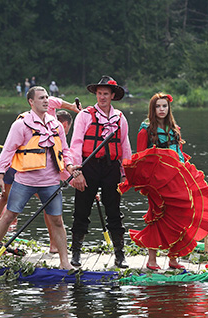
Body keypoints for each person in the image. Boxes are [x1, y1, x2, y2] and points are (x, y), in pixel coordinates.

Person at [0, 86, 79, 270]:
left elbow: (64, 151)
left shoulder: (56, 125)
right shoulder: (21, 124)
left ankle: (64, 262)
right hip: (24, 181)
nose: (45, 100)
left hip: (51, 182)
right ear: (31, 102)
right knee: (9, 215)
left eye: (47, 97)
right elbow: (8, 151)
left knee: (57, 221)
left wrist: (69, 167)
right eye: (41, 98)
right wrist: (0, 176)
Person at [69, 75, 132, 268]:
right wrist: (76, 172)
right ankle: (76, 253)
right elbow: (76, 144)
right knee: (82, 209)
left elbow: (125, 146)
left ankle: (120, 254)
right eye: (99, 93)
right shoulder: (85, 115)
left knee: (114, 210)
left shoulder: (120, 118)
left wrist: (126, 172)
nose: (102, 97)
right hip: (89, 167)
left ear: (112, 95)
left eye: (106, 94)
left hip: (111, 168)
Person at [135, 92, 185, 270]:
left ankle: (173, 258)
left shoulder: (175, 128)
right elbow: (140, 157)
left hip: (177, 179)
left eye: (164, 106)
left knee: (178, 217)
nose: (162, 109)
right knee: (156, 217)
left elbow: (179, 153)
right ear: (153, 109)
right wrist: (145, 183)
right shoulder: (146, 129)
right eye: (158, 106)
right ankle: (152, 259)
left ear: (168, 108)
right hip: (157, 182)